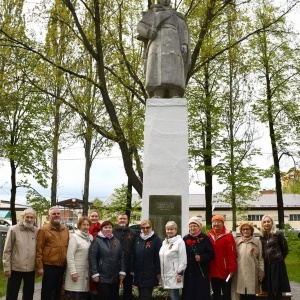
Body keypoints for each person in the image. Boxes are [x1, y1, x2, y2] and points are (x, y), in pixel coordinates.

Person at [137, 0, 191, 98]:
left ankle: (174, 91)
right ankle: (158, 91)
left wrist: (184, 43)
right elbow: (140, 26)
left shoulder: (176, 15)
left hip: (174, 42)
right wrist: (148, 32)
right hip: (157, 42)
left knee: (174, 66)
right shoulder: (153, 12)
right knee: (156, 65)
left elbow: (183, 29)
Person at [2, 208, 38, 300]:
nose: (29, 219)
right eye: (27, 217)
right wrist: (7, 268)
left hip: (30, 269)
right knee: (12, 294)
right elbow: (7, 250)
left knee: (28, 294)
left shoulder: (36, 231)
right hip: (15, 268)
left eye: (31, 217)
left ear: (34, 218)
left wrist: (38, 267)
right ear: (23, 217)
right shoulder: (13, 230)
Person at [36, 206, 70, 300]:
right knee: (47, 290)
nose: (56, 215)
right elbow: (39, 249)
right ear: (49, 216)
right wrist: (40, 267)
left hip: (62, 265)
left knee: (58, 290)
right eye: (54, 214)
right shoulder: (43, 230)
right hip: (49, 265)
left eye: (58, 213)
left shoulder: (65, 229)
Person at [89, 220, 126, 300]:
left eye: (110, 227)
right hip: (102, 276)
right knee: (104, 296)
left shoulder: (116, 241)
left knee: (114, 297)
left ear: (112, 229)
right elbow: (92, 257)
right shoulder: (97, 241)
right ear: (102, 229)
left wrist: (122, 271)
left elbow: (121, 257)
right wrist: (94, 273)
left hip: (115, 276)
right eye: (106, 227)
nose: (108, 229)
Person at [182, 216, 214, 300]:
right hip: (188, 271)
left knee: (200, 294)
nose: (192, 228)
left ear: (199, 227)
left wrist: (201, 257)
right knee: (189, 294)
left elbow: (211, 254)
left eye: (195, 226)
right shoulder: (185, 238)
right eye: (191, 226)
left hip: (201, 272)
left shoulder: (205, 238)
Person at [259, 215, 291, 299]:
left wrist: (279, 258)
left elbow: (285, 249)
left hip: (277, 264)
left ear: (272, 222)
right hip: (267, 265)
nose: (266, 223)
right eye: (264, 222)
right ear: (262, 224)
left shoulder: (278, 234)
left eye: (268, 221)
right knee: (269, 289)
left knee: (278, 288)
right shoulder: (262, 236)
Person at [232, 221, 264, 300]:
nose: (245, 231)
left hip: (252, 273)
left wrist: (261, 272)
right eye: (243, 229)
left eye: (247, 229)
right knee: (241, 294)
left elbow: (260, 259)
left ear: (251, 230)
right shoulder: (237, 241)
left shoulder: (257, 242)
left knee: (251, 295)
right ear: (241, 231)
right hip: (240, 273)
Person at [131, 219, 162, 300]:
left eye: (147, 227)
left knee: (146, 295)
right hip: (139, 272)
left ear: (151, 227)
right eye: (143, 228)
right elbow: (133, 254)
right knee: (141, 294)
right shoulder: (138, 239)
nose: (145, 229)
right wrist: (132, 268)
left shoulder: (156, 239)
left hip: (150, 273)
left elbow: (158, 256)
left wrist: (158, 271)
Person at [208, 215, 237, 300]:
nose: (216, 224)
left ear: (223, 224)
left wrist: (232, 269)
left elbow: (232, 253)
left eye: (219, 222)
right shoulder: (208, 236)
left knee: (226, 292)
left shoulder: (228, 236)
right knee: (215, 293)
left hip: (225, 271)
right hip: (213, 270)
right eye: (214, 222)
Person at [64, 216, 93, 300]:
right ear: (79, 226)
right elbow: (70, 256)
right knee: (75, 296)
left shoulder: (90, 237)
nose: (86, 227)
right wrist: (73, 272)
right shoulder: (74, 237)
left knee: (84, 295)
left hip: (85, 272)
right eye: (84, 225)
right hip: (76, 272)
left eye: (88, 225)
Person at [159, 221, 187, 300]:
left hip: (175, 274)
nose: (169, 231)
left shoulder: (180, 242)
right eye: (168, 229)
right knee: (170, 297)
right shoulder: (164, 242)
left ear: (176, 230)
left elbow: (183, 259)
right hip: (166, 274)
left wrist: (180, 273)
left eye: (172, 229)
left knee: (174, 297)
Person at [113, 213, 137, 300]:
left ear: (127, 221)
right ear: (117, 220)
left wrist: (133, 266)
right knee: (114, 287)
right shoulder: (112, 232)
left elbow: (135, 250)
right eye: (120, 218)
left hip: (128, 264)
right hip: (115, 264)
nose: (122, 220)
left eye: (124, 219)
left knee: (128, 287)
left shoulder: (133, 233)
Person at [88, 210, 101, 299]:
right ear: (89, 217)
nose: (94, 218)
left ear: (98, 217)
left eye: (96, 216)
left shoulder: (102, 227)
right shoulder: (86, 226)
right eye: (92, 216)